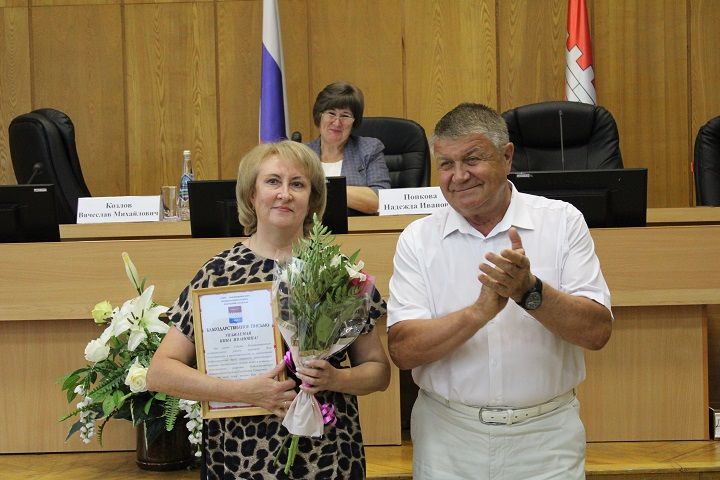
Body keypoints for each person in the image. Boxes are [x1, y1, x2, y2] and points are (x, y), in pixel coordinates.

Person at [386, 103, 613, 479]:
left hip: (545, 439)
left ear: (506, 156)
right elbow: (403, 351)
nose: (458, 176)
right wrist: (478, 314)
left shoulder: (562, 222)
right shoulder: (418, 239)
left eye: (472, 159)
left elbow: (597, 332)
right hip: (447, 441)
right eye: (445, 164)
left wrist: (530, 292)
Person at [147, 140, 391, 479]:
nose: (285, 194)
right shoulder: (218, 273)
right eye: (273, 181)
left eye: (298, 184)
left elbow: (379, 372)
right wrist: (241, 392)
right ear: (251, 195)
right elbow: (160, 372)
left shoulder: (339, 273)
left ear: (313, 199)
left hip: (327, 453)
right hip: (238, 456)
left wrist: (337, 378)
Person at [307, 81, 391, 214]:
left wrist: (321, 189)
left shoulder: (369, 149)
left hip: (356, 230)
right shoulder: (302, 154)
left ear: (354, 121)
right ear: (319, 115)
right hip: (309, 231)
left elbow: (380, 200)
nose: (337, 122)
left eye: (345, 115)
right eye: (331, 113)